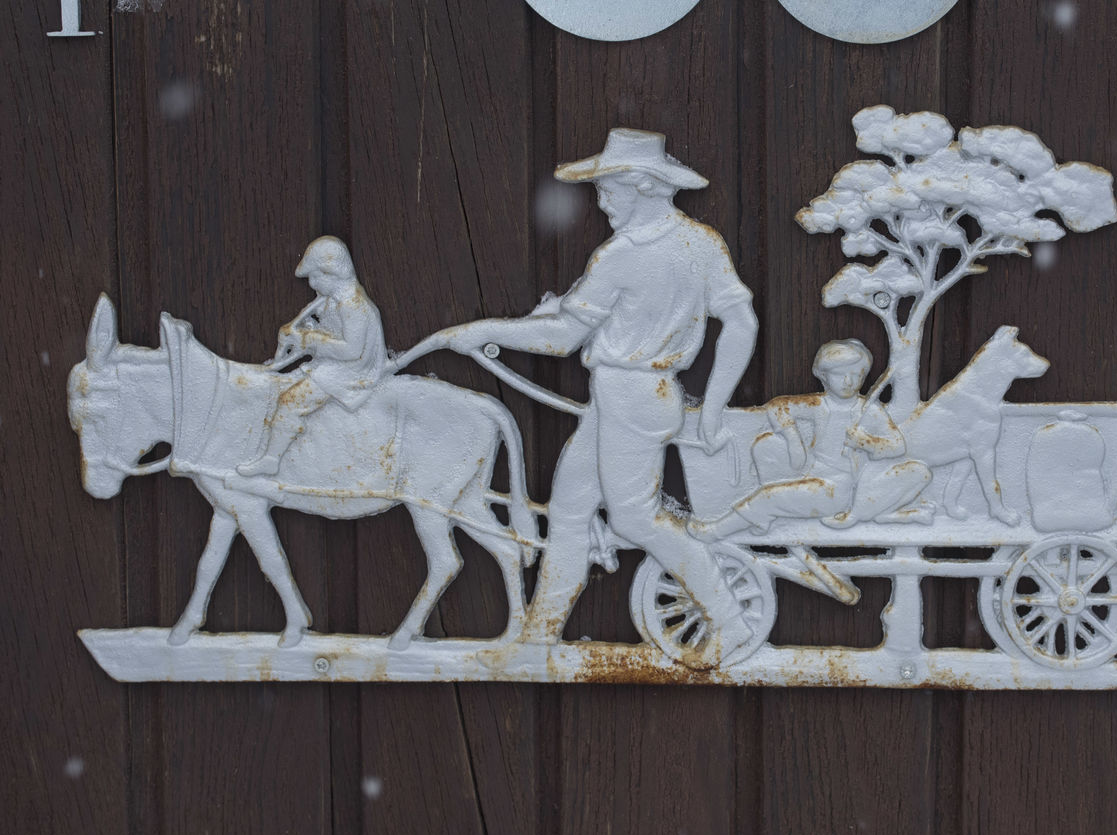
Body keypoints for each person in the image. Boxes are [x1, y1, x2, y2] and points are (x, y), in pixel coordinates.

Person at [439, 129, 759, 666]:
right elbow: (741, 322)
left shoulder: (621, 256)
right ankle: (540, 637)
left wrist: (481, 331)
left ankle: (729, 621)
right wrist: (716, 405)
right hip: (631, 396)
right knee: (567, 512)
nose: (602, 202)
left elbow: (563, 338)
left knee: (635, 519)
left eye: (609, 190)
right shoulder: (701, 241)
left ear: (641, 185)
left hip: (631, 398)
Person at [688, 339, 932, 540]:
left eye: (856, 375)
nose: (848, 381)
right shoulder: (818, 405)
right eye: (840, 374)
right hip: (812, 472)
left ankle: (717, 531)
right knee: (767, 446)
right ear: (824, 377)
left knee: (771, 496)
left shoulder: (868, 410)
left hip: (839, 488)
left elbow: (897, 445)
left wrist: (865, 442)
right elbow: (778, 406)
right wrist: (792, 438)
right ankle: (762, 519)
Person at [238, 236, 387, 477]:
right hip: (333, 366)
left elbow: (352, 350)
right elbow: (330, 335)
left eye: (315, 277)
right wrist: (300, 333)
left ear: (332, 273)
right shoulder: (332, 301)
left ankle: (271, 459)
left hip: (350, 372)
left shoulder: (351, 305)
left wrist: (308, 340)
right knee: (282, 386)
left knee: (290, 401)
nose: (312, 284)